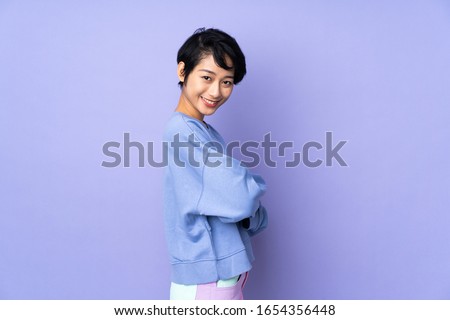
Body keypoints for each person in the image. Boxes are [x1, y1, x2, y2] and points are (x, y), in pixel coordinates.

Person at [163, 27, 268, 300]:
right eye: (207, 77)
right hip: (207, 283)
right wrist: (250, 186)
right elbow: (243, 198)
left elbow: (247, 210)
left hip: (220, 278)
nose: (216, 91)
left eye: (227, 82)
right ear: (182, 72)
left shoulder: (203, 131)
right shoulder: (184, 132)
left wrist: (244, 195)